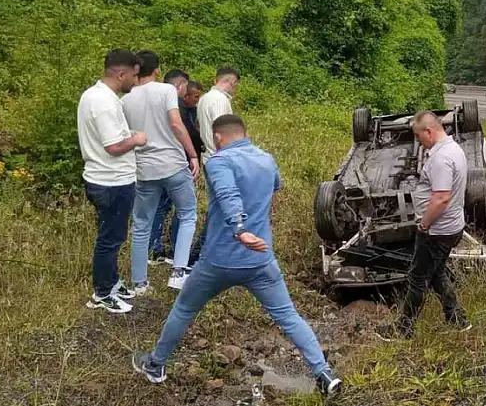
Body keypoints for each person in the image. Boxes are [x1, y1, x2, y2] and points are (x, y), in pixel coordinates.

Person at [131, 115, 342, 396]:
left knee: (183, 309)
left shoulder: (219, 162)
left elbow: (228, 193)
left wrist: (240, 229)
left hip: (218, 261)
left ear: (218, 138)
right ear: (244, 133)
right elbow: (274, 187)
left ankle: (156, 365)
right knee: (289, 316)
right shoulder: (266, 159)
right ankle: (324, 374)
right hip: (260, 260)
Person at [378, 112, 469, 339]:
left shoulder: (441, 158)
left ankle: (403, 330)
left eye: (419, 136)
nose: (419, 141)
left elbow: (441, 198)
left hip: (437, 230)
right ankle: (457, 318)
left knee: (417, 278)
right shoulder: (454, 149)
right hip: (452, 225)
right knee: (437, 272)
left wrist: (425, 224)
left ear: (429, 131)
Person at [121, 52, 200, 292]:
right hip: (173, 163)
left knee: (142, 223)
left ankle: (139, 282)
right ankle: (178, 271)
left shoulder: (125, 99)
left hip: (144, 168)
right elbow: (176, 124)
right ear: (157, 70)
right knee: (187, 214)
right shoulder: (166, 91)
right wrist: (192, 154)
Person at [77, 49, 146, 314]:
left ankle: (112, 283)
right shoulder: (104, 101)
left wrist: (127, 134)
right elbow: (113, 146)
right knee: (110, 239)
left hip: (106, 177)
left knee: (114, 235)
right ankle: (102, 294)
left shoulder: (96, 96)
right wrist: (137, 139)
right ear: (121, 73)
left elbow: (112, 135)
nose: (135, 81)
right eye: (134, 75)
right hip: (110, 181)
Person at [188, 68, 239, 266]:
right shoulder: (220, 100)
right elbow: (222, 132)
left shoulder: (204, 99)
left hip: (210, 158)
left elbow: (200, 126)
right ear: (232, 82)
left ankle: (207, 254)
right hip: (220, 160)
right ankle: (197, 256)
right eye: (236, 85)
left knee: (218, 208)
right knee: (220, 210)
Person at [150, 78, 205, 263]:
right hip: (178, 163)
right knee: (181, 209)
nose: (197, 100)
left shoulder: (189, 109)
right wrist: (199, 149)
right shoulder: (177, 108)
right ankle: (176, 253)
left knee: (164, 206)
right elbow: (187, 132)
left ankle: (158, 248)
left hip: (169, 163)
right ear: (183, 90)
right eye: (195, 96)